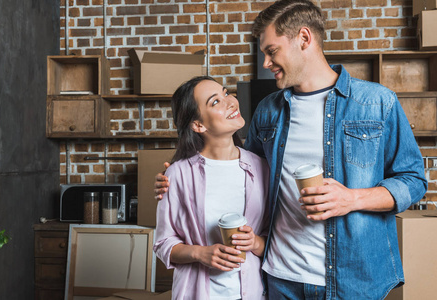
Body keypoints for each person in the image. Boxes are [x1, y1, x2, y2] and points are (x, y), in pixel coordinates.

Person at [155, 1, 427, 299]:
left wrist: (351, 198)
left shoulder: (377, 102)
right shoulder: (268, 111)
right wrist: (177, 176)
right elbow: (242, 171)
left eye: (272, 52)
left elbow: (413, 180)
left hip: (354, 280)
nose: (266, 63)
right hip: (280, 279)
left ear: (304, 39)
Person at [153, 76, 270, 300]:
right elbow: (162, 243)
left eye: (226, 93)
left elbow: (277, 240)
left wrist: (255, 242)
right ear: (198, 125)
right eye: (215, 101)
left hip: (253, 293)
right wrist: (200, 253)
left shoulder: (262, 168)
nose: (231, 101)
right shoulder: (178, 174)